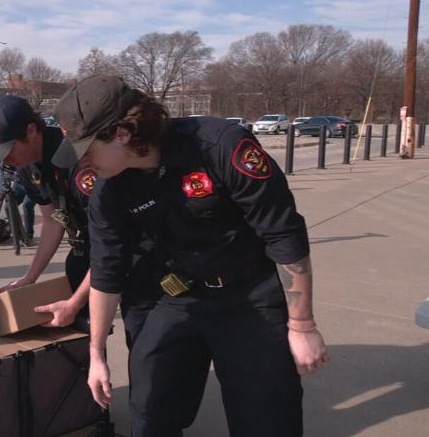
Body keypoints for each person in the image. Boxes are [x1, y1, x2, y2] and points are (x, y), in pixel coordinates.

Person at [52, 75, 329, 437]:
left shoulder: (220, 146)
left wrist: (302, 325)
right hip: (173, 296)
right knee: (150, 413)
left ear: (122, 133)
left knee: (267, 417)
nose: (83, 164)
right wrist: (96, 355)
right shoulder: (107, 189)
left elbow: (284, 235)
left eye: (87, 150)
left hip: (246, 298)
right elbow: (107, 269)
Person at [0, 95, 159, 340]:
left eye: (8, 149)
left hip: (125, 252)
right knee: (78, 332)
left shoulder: (78, 157)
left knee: (142, 336)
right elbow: (53, 219)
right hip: (84, 252)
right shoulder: (26, 167)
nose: (4, 159)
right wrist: (30, 277)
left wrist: (76, 301)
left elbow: (113, 240)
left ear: (32, 131)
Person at [0, 161, 35, 242]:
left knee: (27, 204)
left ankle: (28, 235)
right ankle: (18, 234)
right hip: (20, 182)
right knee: (8, 207)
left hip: (34, 182)